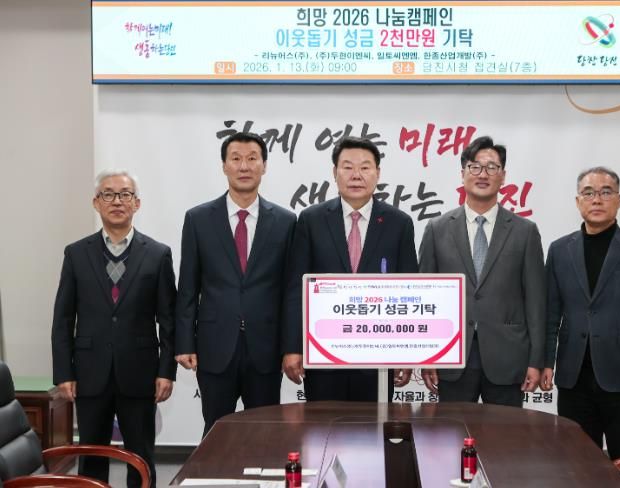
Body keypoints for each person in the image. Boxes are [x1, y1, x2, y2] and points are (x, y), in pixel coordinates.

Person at [539, 166, 620, 487]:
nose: (597, 199)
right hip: (573, 374)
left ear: (619, 200)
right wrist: (546, 362)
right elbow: (551, 312)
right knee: (575, 460)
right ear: (578, 201)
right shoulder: (559, 250)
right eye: (589, 193)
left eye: (606, 192)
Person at [51, 169, 176, 487]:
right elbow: (63, 318)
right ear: (96, 202)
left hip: (140, 372)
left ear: (137, 203)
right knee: (91, 456)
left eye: (125, 194)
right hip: (90, 372)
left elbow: (168, 320)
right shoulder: (76, 254)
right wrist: (64, 372)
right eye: (108, 194)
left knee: (141, 456)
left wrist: (166, 372)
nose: (117, 201)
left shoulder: (158, 254)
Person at [175, 132, 296, 436]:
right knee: (216, 431)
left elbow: (290, 291)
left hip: (266, 348)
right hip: (214, 346)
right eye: (236, 158)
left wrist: (291, 347)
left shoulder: (285, 221)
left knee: (266, 432)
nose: (244, 166)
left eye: (252, 158)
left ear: (264, 166)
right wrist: (185, 342)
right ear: (224, 166)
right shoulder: (199, 219)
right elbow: (188, 287)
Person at [283, 136, 418, 401]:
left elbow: (408, 290)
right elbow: (296, 289)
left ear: (378, 173)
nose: (356, 175)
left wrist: (406, 353)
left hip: (378, 356)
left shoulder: (399, 223)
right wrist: (293, 347)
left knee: (374, 425)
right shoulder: (311, 220)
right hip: (323, 354)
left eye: (365, 167)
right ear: (335, 172)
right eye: (347, 167)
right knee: (321, 424)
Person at [418, 136, 546, 406]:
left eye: (491, 167)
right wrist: (427, 356)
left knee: (505, 432)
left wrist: (536, 360)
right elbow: (425, 298)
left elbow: (535, 301)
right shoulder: (437, 229)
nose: (483, 174)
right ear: (463, 173)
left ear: (503, 176)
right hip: (451, 357)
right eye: (475, 167)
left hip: (508, 357)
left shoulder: (524, 232)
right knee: (453, 430)